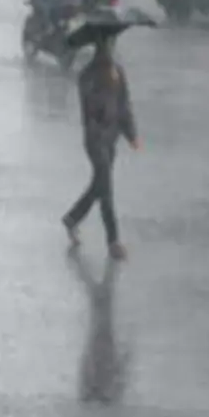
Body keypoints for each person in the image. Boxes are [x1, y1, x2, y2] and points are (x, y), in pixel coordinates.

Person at [63, 36, 140, 260]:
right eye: (105, 47)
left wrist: (131, 134)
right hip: (95, 139)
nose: (109, 51)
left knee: (99, 185)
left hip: (111, 139)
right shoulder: (88, 75)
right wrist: (106, 82)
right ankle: (113, 241)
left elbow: (124, 106)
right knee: (105, 188)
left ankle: (72, 218)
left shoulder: (118, 72)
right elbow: (91, 110)